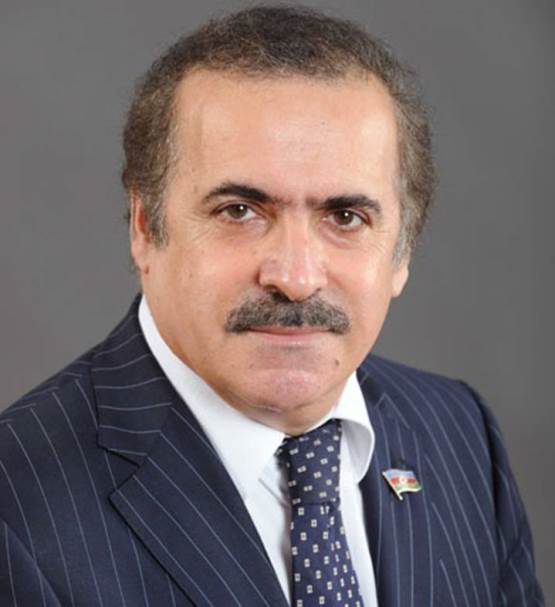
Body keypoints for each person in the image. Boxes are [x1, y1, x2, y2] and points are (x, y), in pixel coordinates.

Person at [0, 6, 544, 606]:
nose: (296, 278)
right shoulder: (15, 506)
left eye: (345, 217)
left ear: (402, 251)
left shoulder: (460, 433)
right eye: (239, 211)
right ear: (144, 228)